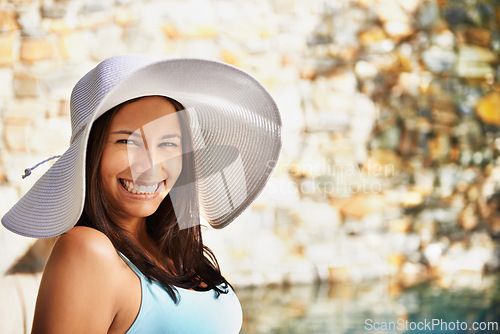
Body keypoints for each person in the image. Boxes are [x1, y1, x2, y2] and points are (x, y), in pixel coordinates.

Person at [2, 55, 282, 333]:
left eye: (169, 143)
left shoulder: (176, 251)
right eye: (127, 141)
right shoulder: (87, 250)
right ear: (91, 154)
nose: (149, 165)